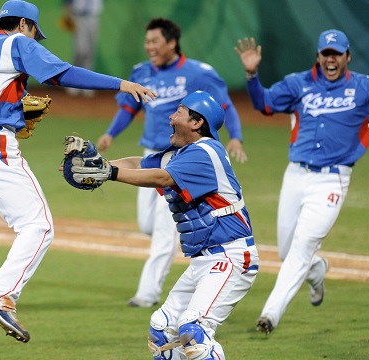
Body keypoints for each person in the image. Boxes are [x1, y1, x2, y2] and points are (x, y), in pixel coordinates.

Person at [0, 0, 156, 343]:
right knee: (38, 226)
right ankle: (1, 296)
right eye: (35, 33)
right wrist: (120, 84)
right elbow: (61, 73)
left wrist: (10, 113)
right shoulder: (15, 42)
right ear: (23, 23)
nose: (35, 40)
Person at [74, 91, 259, 359]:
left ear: (197, 123)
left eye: (179, 112)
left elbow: (161, 178)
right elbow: (139, 164)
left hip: (230, 256)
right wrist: (96, 165)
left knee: (194, 332)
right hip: (202, 262)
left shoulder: (205, 152)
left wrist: (109, 174)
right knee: (162, 331)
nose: (171, 116)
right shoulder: (182, 153)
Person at [234, 30, 369, 335]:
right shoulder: (298, 83)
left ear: (347, 57)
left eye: (337, 53)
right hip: (295, 176)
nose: (331, 58)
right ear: (318, 56)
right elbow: (264, 105)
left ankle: (270, 315)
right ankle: (317, 270)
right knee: (289, 251)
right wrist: (252, 76)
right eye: (326, 53)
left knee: (301, 247)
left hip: (332, 180)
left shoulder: (366, 88)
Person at [96, 18, 247, 308]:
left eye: (155, 41)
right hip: (152, 154)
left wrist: (236, 137)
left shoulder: (199, 73)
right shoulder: (141, 72)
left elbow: (224, 106)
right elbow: (129, 107)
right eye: (147, 41)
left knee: (167, 226)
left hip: (183, 157)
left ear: (172, 42)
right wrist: (110, 134)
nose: (149, 46)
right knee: (147, 224)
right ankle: (175, 243)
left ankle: (147, 293)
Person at [62, 0, 103, 97]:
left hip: (94, 17)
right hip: (78, 17)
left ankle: (87, 84)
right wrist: (67, 13)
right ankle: (72, 81)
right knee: (81, 50)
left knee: (90, 53)